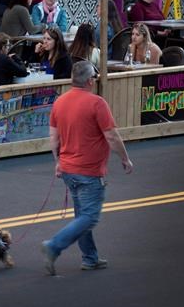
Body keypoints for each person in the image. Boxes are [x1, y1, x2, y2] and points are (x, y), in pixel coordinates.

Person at [41, 61, 133, 275]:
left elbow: (53, 138)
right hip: (89, 171)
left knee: (82, 215)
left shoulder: (60, 102)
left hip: (68, 170)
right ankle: (54, 246)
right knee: (89, 217)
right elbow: (111, 136)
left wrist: (58, 162)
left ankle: (90, 258)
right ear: (91, 80)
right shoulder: (97, 103)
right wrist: (125, 159)